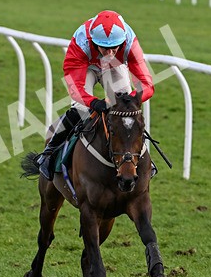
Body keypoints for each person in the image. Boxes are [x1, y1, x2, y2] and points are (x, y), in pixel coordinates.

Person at [36, 9, 154, 180]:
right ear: (93, 41)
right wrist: (93, 103)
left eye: (114, 48)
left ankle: (143, 161)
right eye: (105, 48)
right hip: (86, 66)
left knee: (127, 112)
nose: (109, 53)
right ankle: (49, 154)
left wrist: (133, 98)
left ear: (121, 42)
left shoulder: (129, 41)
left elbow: (147, 83)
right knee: (81, 110)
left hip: (115, 66)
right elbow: (76, 88)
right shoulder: (80, 43)